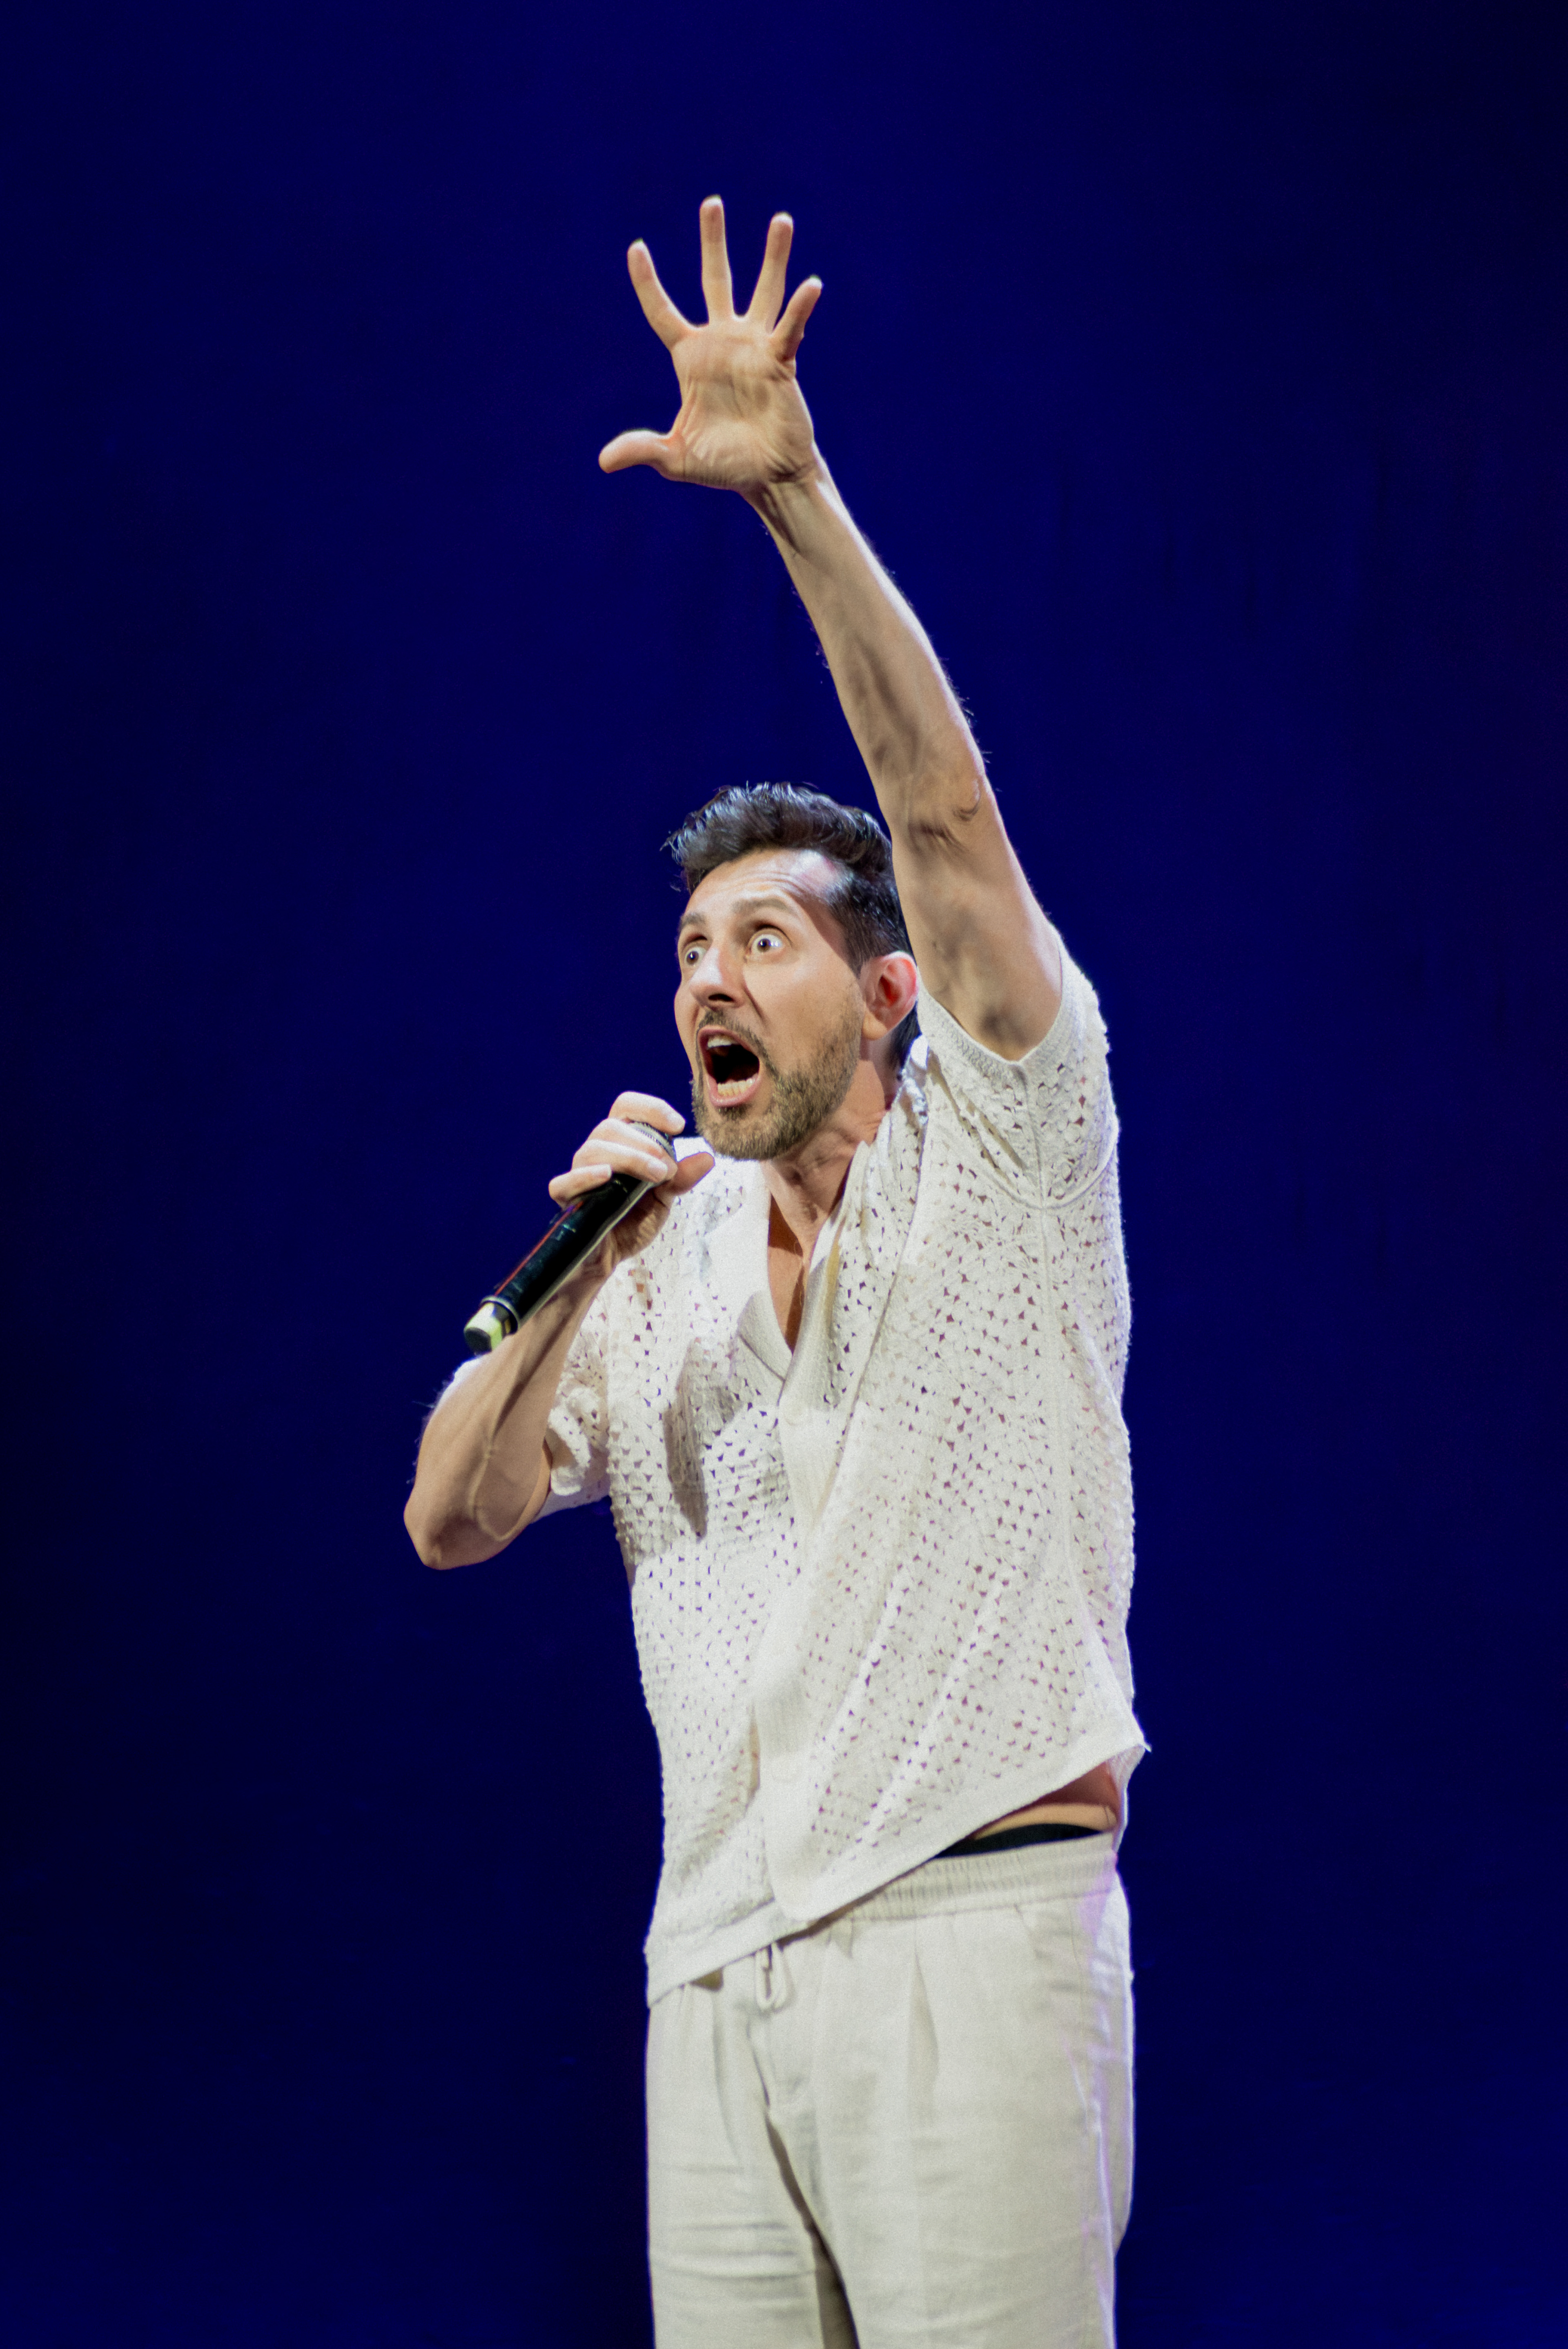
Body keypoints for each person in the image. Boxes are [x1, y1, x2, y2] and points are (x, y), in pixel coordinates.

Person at [406, 198, 1142, 2349]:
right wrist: (576, 1266)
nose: (706, 980)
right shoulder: (660, 1256)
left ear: (888, 989)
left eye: (762, 939)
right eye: (685, 953)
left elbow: (949, 817)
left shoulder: (1003, 1146)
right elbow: (451, 1515)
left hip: (966, 1936)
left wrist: (794, 497)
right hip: (713, 1974)